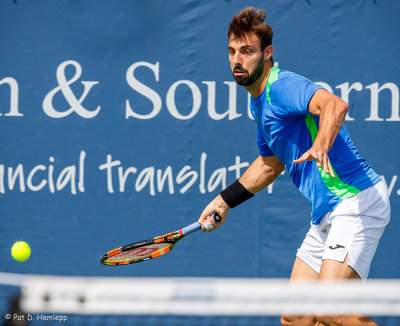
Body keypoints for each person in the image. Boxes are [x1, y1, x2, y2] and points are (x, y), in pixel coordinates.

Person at [198, 7, 390, 326]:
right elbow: (269, 165)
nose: (237, 60)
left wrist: (321, 144)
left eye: (247, 51)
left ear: (267, 53)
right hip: (326, 214)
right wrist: (222, 201)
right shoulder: (257, 103)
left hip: (355, 201)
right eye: (232, 51)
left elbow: (334, 105)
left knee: (330, 312)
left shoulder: (281, 85)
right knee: (296, 317)